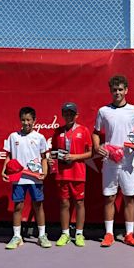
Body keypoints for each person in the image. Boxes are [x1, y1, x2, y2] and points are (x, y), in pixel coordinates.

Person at [92, 75, 134, 247]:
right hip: (109, 161)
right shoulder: (103, 111)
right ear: (110, 91)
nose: (117, 93)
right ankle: (109, 234)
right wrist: (97, 146)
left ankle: (129, 234)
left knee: (129, 198)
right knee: (110, 197)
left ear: (126, 90)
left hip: (128, 161)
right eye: (114, 90)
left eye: (120, 89)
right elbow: (96, 132)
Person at [1, 107, 50, 249]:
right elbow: (9, 156)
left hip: (35, 178)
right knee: (18, 206)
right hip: (18, 178)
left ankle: (42, 235)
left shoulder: (40, 138)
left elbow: (44, 158)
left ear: (34, 121)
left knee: (38, 206)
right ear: (20, 120)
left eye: (29, 120)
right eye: (23, 120)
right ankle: (17, 236)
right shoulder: (13, 137)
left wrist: (45, 172)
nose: (26, 122)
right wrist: (4, 170)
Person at [48, 102, 92, 247]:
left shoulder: (84, 130)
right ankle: (65, 233)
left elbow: (91, 153)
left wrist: (74, 157)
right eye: (66, 113)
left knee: (79, 203)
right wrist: (51, 161)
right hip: (62, 174)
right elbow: (54, 152)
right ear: (62, 115)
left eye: (71, 113)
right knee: (64, 203)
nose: (69, 116)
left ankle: (79, 233)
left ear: (76, 115)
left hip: (78, 173)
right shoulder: (58, 132)